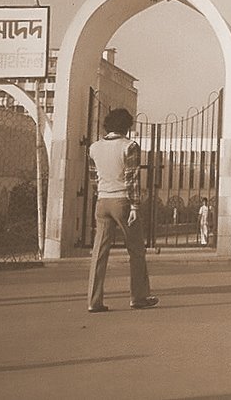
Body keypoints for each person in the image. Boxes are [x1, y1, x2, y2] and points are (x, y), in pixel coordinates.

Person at [86, 108, 159, 313]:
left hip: (102, 201)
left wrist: (100, 195)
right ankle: (139, 296)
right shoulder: (130, 146)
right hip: (123, 202)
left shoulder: (94, 147)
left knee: (99, 252)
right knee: (136, 250)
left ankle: (94, 300)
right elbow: (131, 179)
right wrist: (135, 205)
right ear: (127, 126)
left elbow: (93, 178)